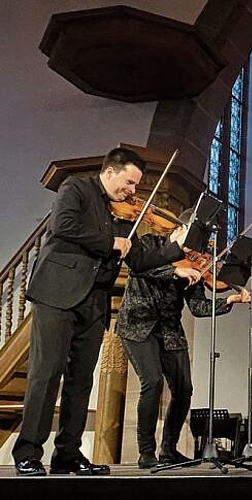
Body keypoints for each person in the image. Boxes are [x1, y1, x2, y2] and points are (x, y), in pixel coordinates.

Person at [13, 147, 189, 476]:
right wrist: (110, 243)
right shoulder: (76, 189)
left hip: (94, 301)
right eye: (129, 182)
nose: (132, 191)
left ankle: (67, 454)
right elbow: (63, 225)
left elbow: (138, 260)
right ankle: (28, 453)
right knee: (45, 374)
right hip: (58, 293)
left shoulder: (118, 214)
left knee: (80, 381)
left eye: (136, 186)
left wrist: (175, 248)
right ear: (109, 172)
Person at [114, 210, 252, 469]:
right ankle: (146, 452)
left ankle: (169, 449)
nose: (201, 246)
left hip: (169, 330)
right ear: (181, 228)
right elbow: (141, 268)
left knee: (184, 389)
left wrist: (229, 300)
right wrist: (173, 272)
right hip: (137, 326)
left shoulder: (196, 263)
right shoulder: (149, 244)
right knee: (152, 382)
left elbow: (199, 308)